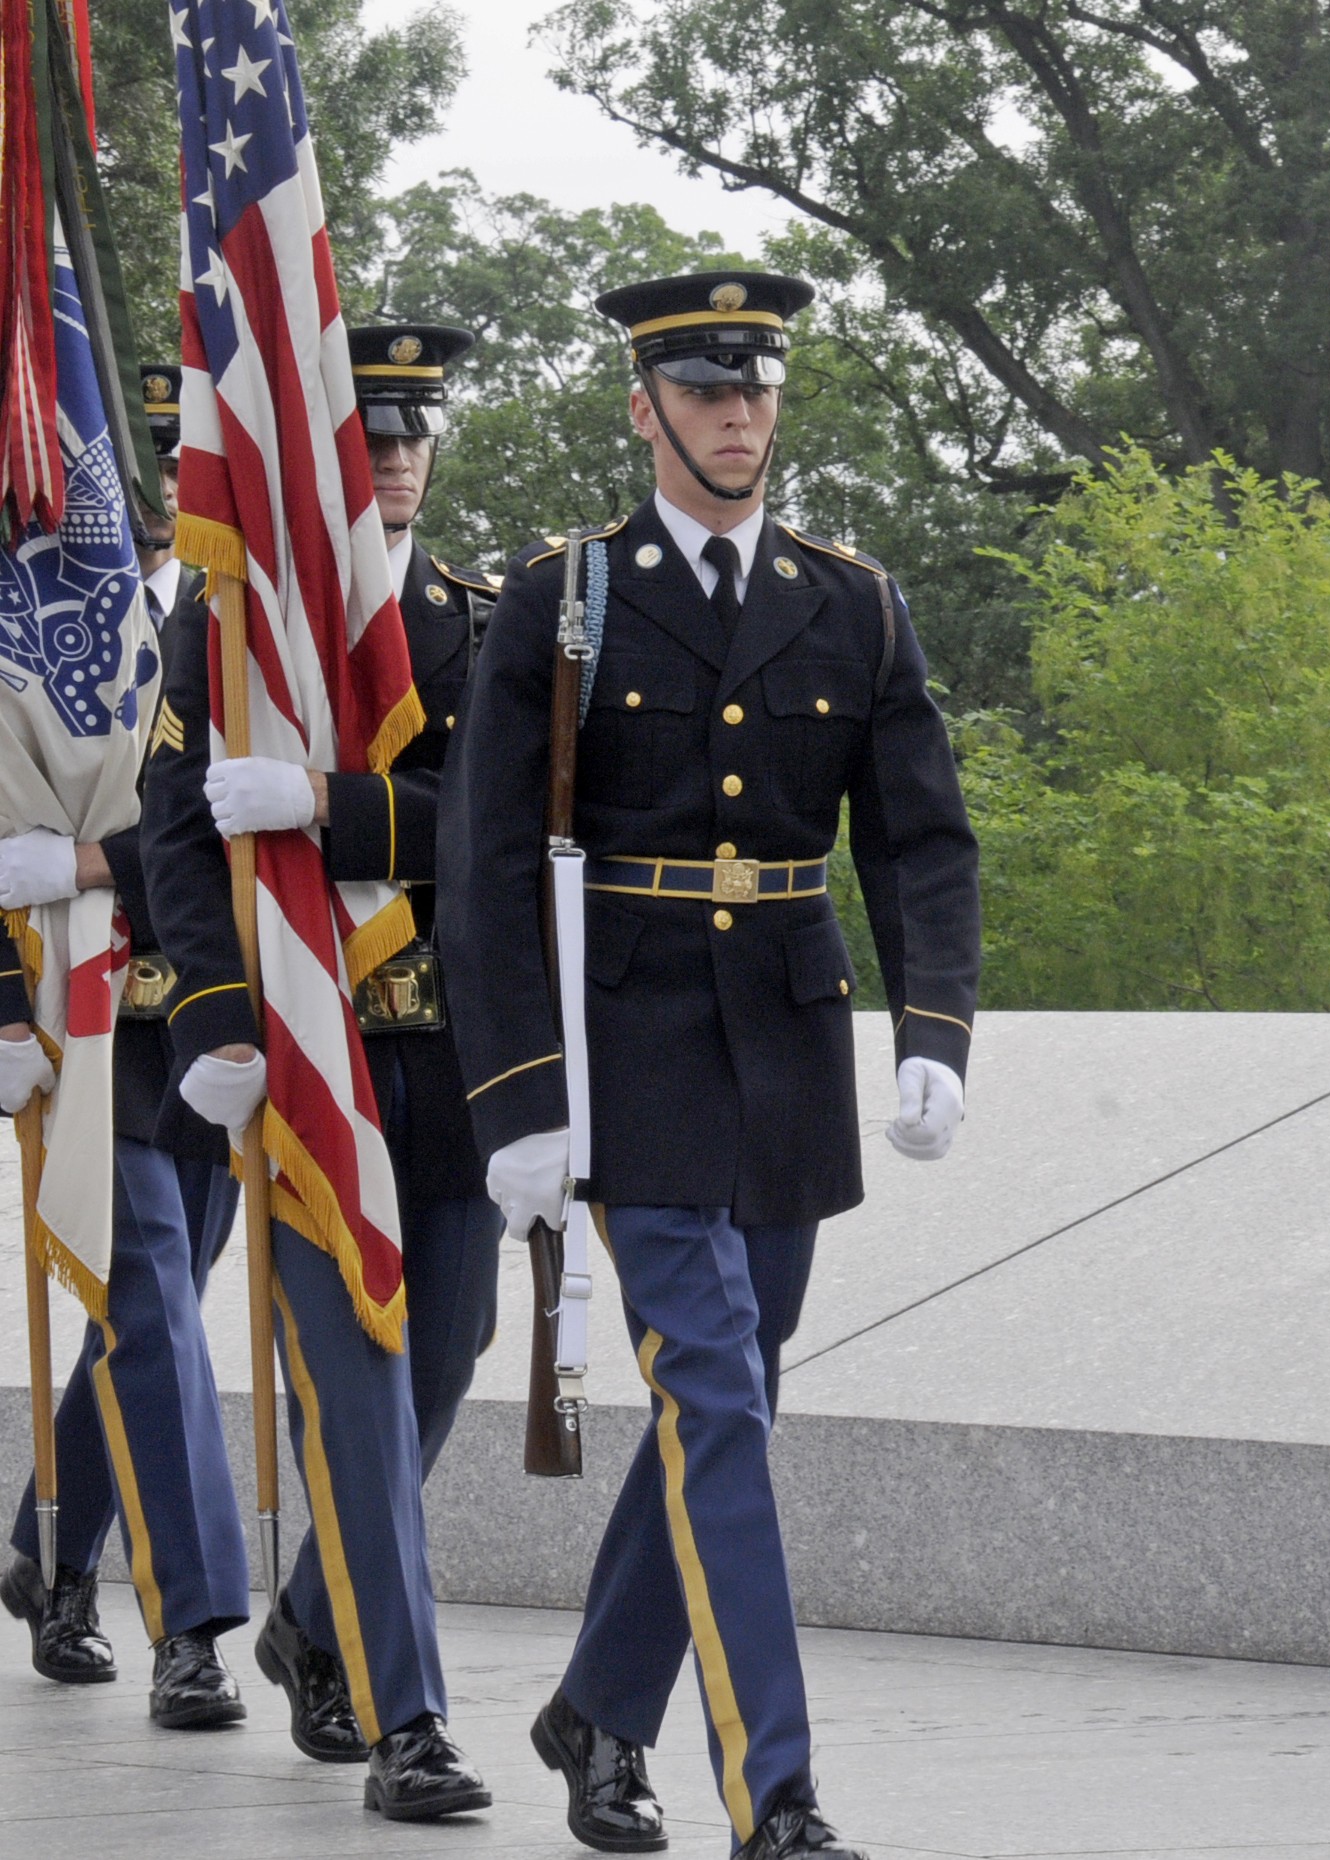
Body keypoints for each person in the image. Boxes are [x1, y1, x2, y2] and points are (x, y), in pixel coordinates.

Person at [439, 269, 981, 1860]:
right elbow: (485, 864)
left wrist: (933, 1027)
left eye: (756, 390)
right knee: (720, 1402)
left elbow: (919, 839)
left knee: (723, 1403)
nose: (738, 415)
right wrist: (522, 1096)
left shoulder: (854, 599)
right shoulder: (569, 595)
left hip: (792, 1041)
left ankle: (599, 1709)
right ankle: (776, 1790)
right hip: (634, 1047)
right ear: (645, 409)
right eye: (705, 392)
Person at [149, 324, 507, 1769]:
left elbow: (494, 833)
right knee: (349, 1386)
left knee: (445, 1358)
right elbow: (178, 831)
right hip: (308, 1060)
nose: (406, 454)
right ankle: (402, 1708)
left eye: (422, 430)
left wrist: (329, 803)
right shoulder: (229, 624)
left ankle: (312, 1615)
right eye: (378, 434)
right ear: (325, 460)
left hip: (453, 1061)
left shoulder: (481, 625)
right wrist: (221, 1013)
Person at [0, 365, 253, 1728]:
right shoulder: (36, 609)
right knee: (148, 1300)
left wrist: (92, 856)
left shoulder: (247, 627)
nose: (169, 492)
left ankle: (47, 1548)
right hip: (85, 1019)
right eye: (154, 462)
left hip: (206, 1006)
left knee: (144, 1317)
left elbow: (222, 822)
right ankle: (194, 1625)